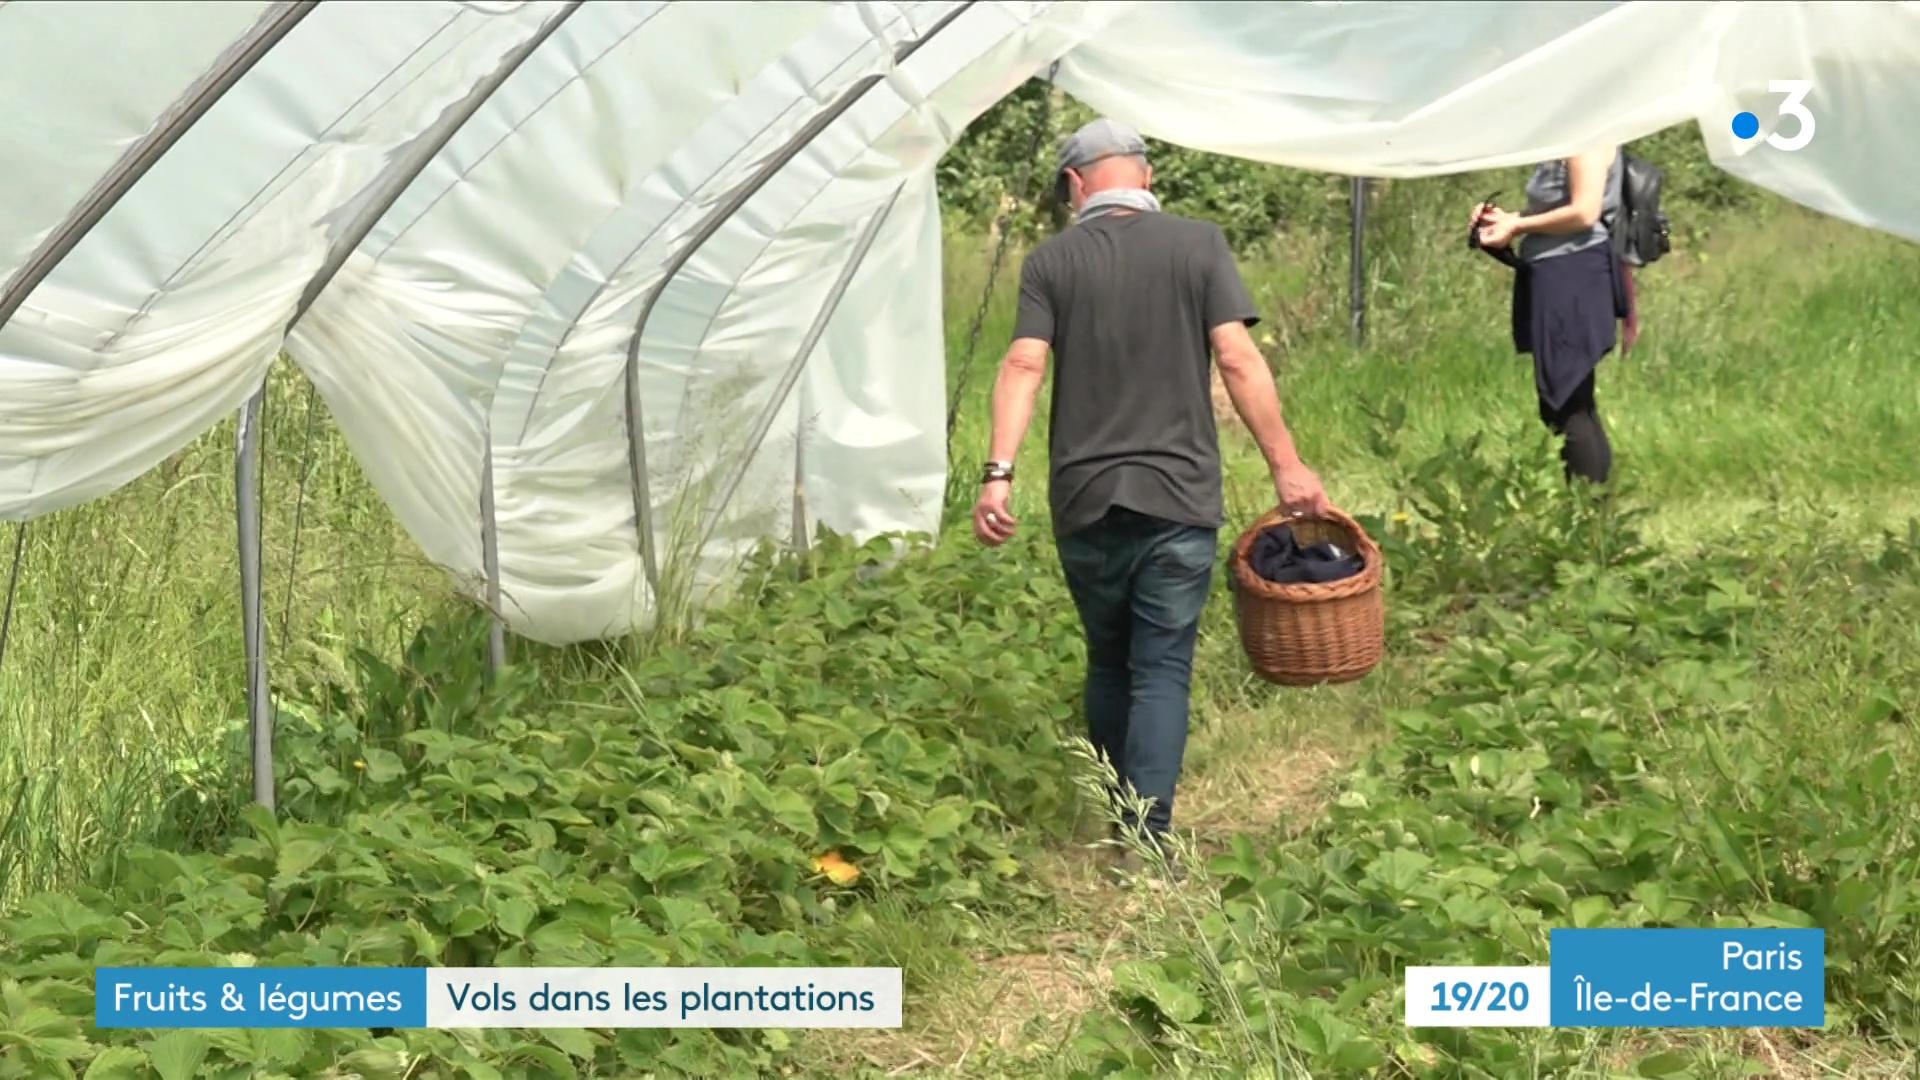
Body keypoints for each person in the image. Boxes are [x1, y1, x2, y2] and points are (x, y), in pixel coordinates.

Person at [969, 117, 1333, 872]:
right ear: (1145, 175)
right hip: (1178, 495)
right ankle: (1146, 839)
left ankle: (1118, 819)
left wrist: (997, 473)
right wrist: (1287, 466)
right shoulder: (1198, 245)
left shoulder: (1051, 261)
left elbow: (1024, 365)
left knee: (1109, 659)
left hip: (1085, 495)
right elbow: (1236, 357)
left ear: (1077, 185)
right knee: (1161, 665)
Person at [1472, 146, 1632, 484]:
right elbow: (1561, 209)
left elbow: (1584, 212)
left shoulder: (1586, 136)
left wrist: (1516, 224)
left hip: (1573, 275)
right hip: (1558, 272)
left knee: (1566, 399)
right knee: (1568, 401)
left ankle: (1591, 517)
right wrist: (1503, 221)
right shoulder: (1568, 138)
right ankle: (1593, 514)